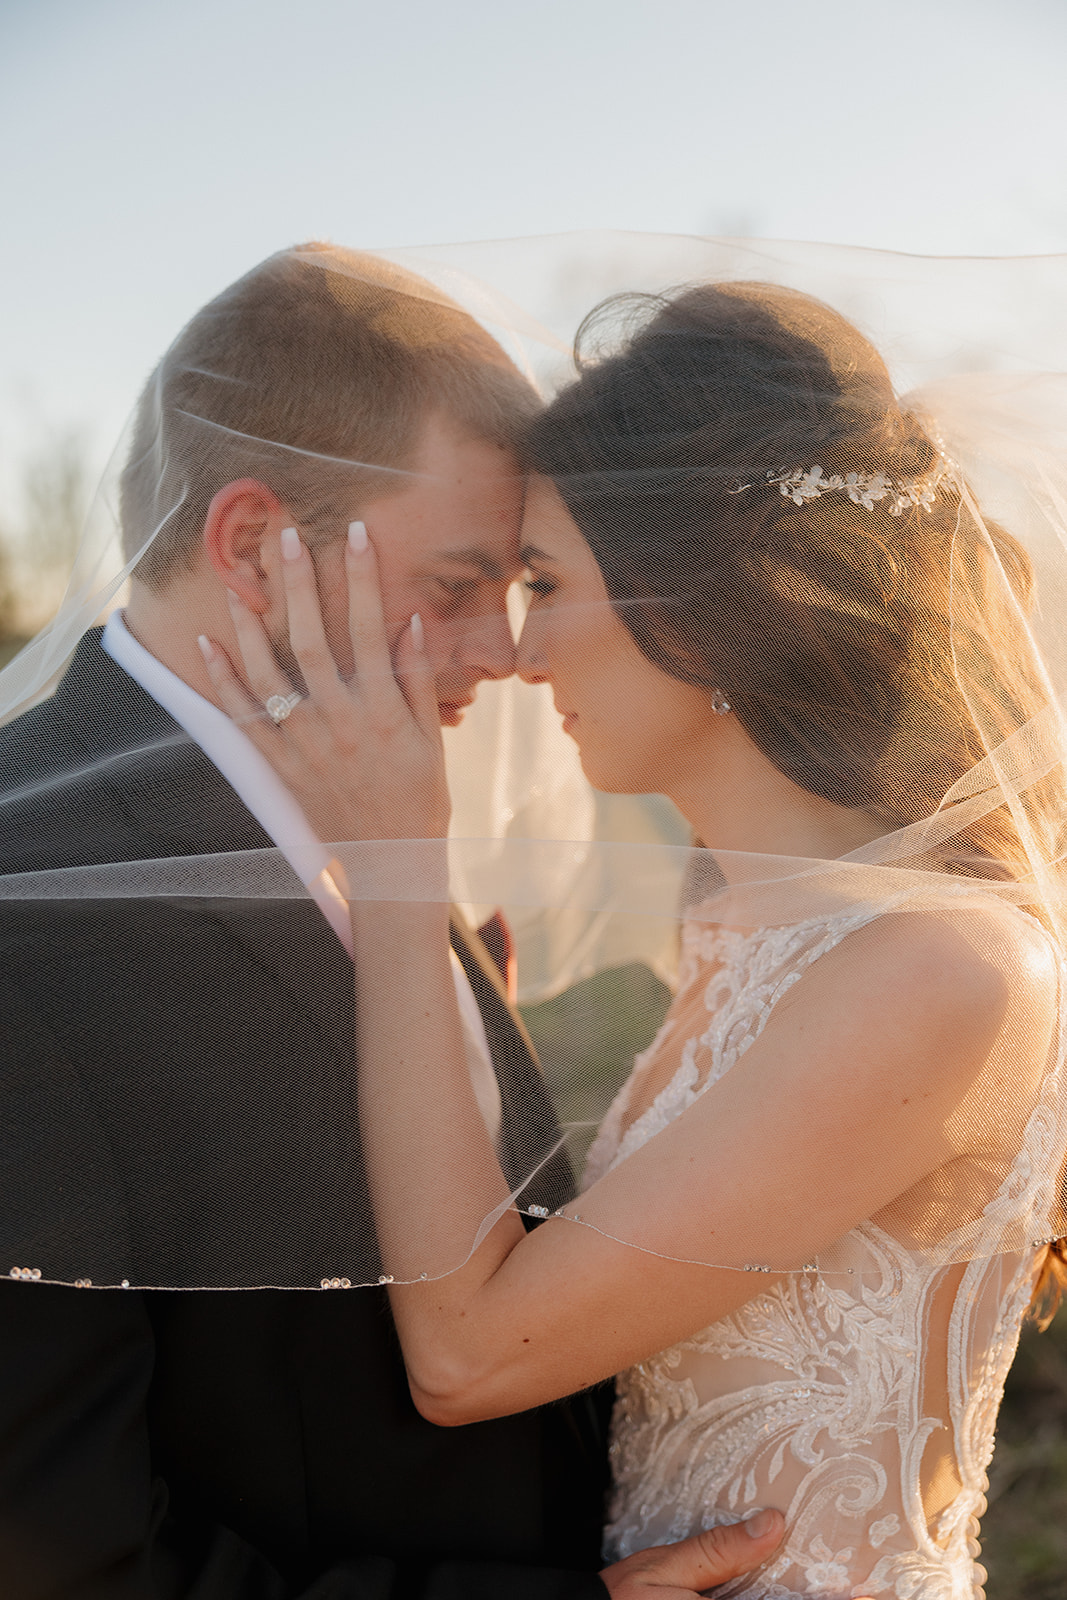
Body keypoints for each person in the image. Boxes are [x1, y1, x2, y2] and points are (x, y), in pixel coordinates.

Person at [203, 278, 1067, 1598]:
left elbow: (473, 1357)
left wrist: (395, 868)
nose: (515, 650)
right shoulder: (738, 914)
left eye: (544, 581)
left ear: (715, 598)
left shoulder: (940, 971)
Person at [0, 247, 787, 1598]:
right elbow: (61, 1553)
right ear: (252, 545)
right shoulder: (27, 906)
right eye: (455, 586)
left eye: (519, 587)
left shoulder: (374, 805)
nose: (505, 653)